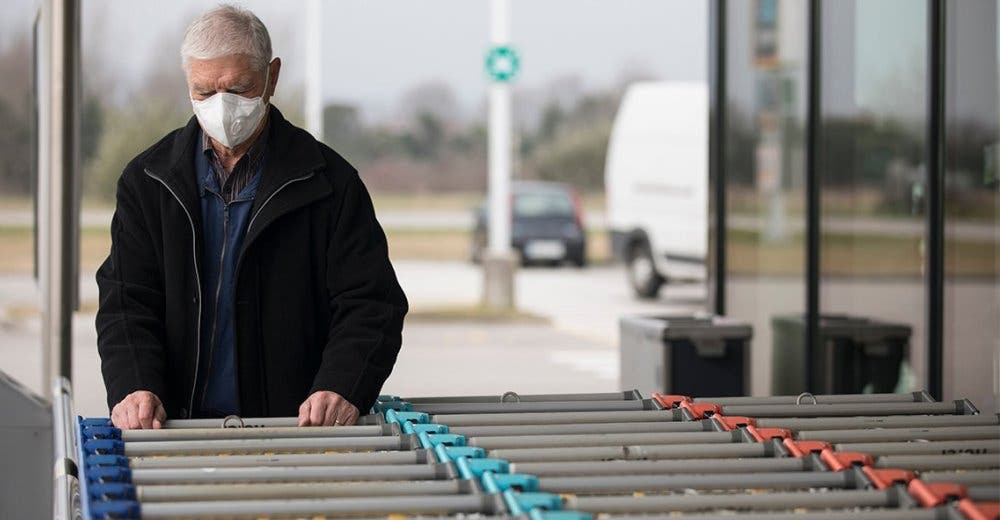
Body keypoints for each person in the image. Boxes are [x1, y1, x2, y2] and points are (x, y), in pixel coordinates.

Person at [96, 4, 407, 430]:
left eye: (239, 89)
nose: (221, 107)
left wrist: (343, 386)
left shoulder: (331, 184)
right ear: (187, 83)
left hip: (296, 433)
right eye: (204, 92)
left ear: (271, 77)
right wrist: (134, 385)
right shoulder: (148, 181)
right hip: (173, 431)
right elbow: (126, 302)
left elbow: (371, 304)